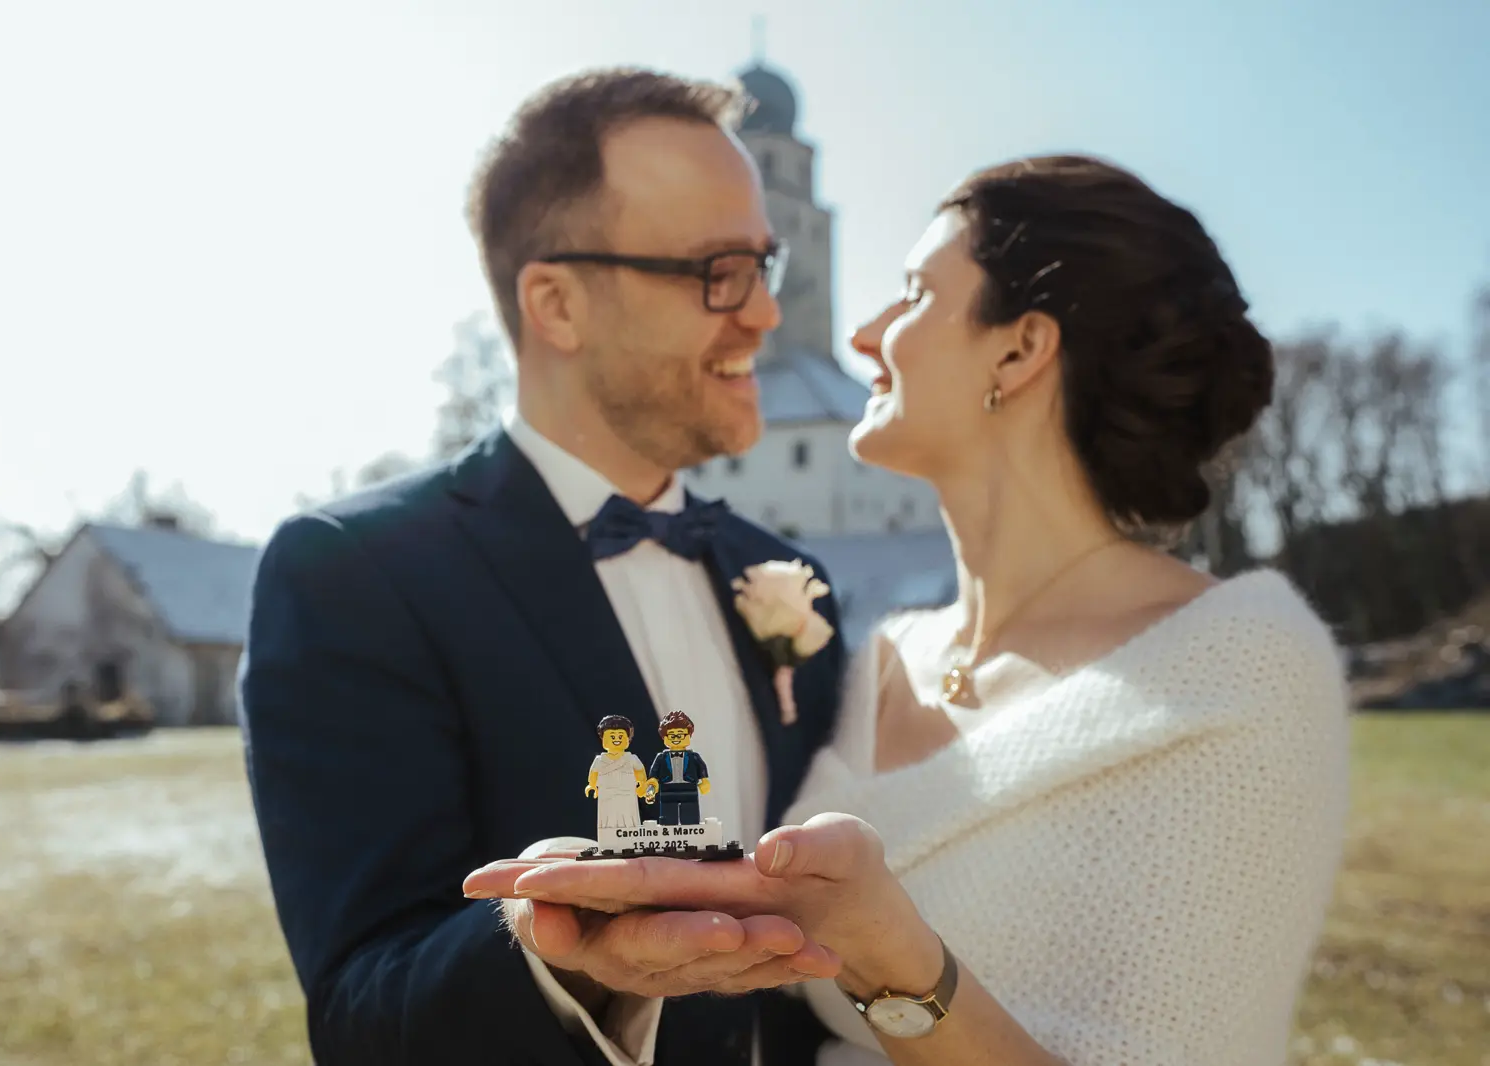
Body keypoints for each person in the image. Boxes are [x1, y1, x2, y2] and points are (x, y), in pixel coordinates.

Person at [466, 155, 1351, 1066]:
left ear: (1018, 349)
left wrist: (899, 965)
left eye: (914, 295)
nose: (862, 334)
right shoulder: (882, 661)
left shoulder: (1241, 665)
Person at [238, 67, 850, 1066]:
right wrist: (564, 957)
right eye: (716, 271)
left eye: (764, 268)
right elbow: (361, 1010)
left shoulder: (786, 575)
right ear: (557, 304)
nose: (763, 316)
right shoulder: (353, 572)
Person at [646, 710, 712, 825]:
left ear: (689, 735)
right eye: (671, 735)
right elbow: (653, 776)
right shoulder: (661, 758)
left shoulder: (694, 757)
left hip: (689, 790)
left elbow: (702, 770)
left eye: (680, 734)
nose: (676, 738)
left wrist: (705, 782)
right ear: (664, 737)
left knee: (690, 819)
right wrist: (651, 788)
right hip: (667, 790)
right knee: (667, 820)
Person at [588, 714, 651, 832]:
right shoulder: (600, 760)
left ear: (628, 739)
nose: (616, 739)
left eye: (621, 736)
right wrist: (592, 786)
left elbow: (640, 772)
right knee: (608, 821)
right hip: (607, 795)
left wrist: (642, 784)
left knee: (629, 820)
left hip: (627, 794)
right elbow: (593, 773)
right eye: (612, 736)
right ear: (603, 739)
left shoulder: (631, 759)